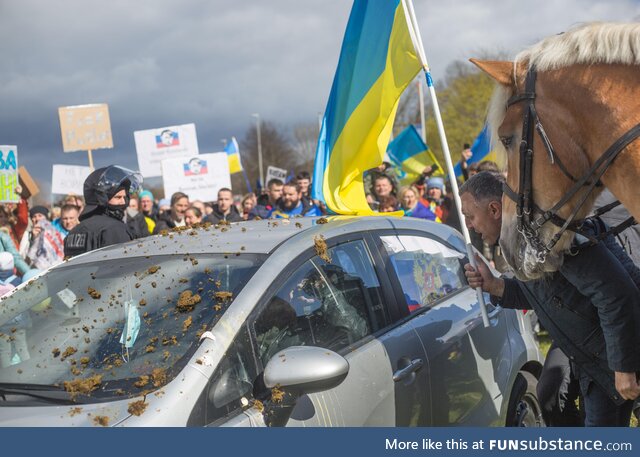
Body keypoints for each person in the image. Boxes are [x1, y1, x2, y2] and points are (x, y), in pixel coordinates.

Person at [460, 171, 640, 427]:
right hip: (596, 363)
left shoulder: (550, 234)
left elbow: (617, 296)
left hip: (616, 354)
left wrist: (623, 367)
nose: (468, 225)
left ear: (494, 209)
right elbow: (547, 296)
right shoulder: (525, 240)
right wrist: (495, 285)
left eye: (470, 216)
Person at [64, 166, 142, 258]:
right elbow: (125, 266)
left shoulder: (73, 232)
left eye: (124, 197)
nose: (123, 202)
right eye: (118, 197)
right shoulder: (114, 228)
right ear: (102, 198)